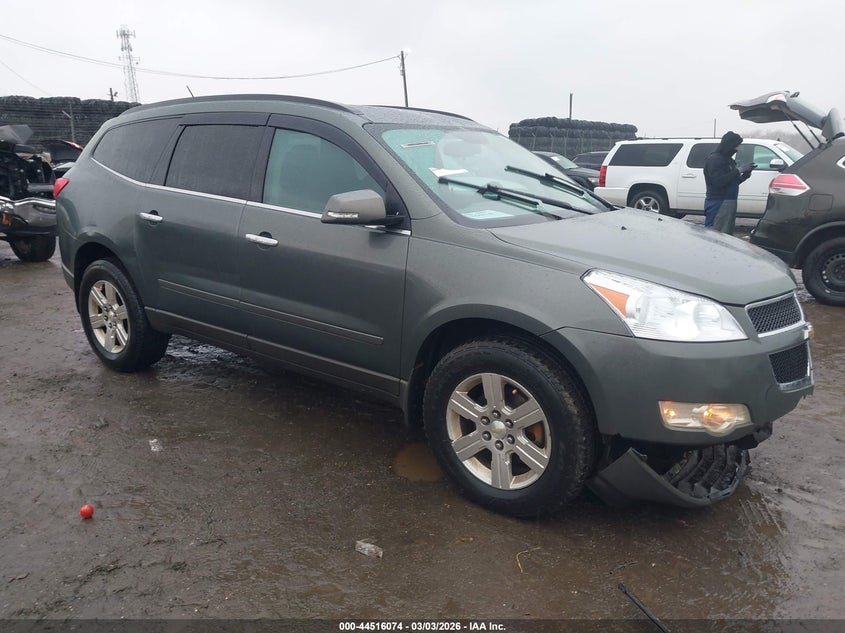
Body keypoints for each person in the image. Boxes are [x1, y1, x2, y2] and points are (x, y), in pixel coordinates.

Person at [703, 131, 755, 234]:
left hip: (729, 201)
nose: (737, 150)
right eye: (736, 146)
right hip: (718, 202)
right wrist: (738, 171)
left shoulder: (728, 160)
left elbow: (731, 181)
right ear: (729, 145)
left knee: (726, 235)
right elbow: (718, 182)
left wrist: (745, 176)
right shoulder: (715, 160)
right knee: (714, 234)